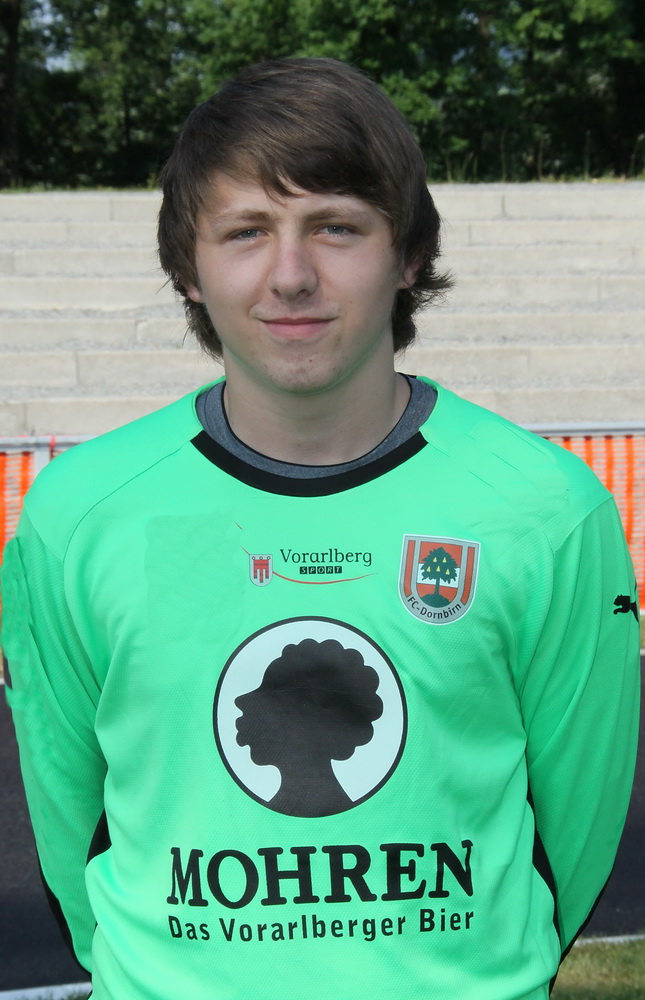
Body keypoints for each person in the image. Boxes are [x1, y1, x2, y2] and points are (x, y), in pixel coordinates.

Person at [1, 57, 640, 1000]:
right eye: (245, 232)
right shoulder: (81, 514)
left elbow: (573, 835)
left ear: (406, 254)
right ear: (188, 269)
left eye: (336, 227)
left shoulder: (544, 510)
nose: (291, 275)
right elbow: (71, 827)